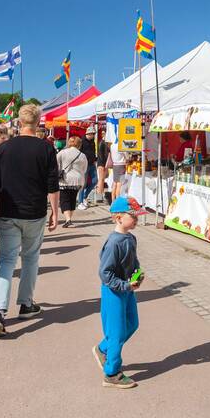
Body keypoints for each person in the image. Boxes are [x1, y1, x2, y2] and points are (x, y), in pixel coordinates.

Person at [0, 103, 59, 336]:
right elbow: (52, 185)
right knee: (30, 259)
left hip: (8, 211)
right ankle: (26, 303)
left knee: (6, 261)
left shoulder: (4, 148)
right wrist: (55, 212)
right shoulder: (46, 148)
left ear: (19, 121)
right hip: (34, 211)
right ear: (38, 122)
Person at [93, 195, 146, 388]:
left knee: (132, 324)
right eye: (133, 216)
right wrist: (124, 285)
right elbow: (104, 272)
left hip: (127, 290)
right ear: (118, 218)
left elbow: (133, 261)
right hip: (113, 292)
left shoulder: (131, 238)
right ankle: (112, 373)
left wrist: (137, 274)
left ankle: (103, 349)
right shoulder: (114, 243)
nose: (137, 220)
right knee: (116, 333)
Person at [56, 134, 88, 228]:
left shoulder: (62, 152)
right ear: (79, 144)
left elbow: (56, 164)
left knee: (64, 199)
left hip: (65, 179)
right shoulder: (82, 155)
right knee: (72, 199)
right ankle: (69, 218)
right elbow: (84, 169)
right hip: (77, 180)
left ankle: (68, 219)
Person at [77, 126, 98, 209]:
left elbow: (93, 151)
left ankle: (85, 196)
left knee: (95, 181)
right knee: (83, 184)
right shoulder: (82, 141)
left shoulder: (93, 141)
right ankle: (80, 202)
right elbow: (79, 153)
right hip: (84, 165)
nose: (93, 136)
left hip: (92, 164)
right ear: (87, 134)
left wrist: (95, 159)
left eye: (93, 134)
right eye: (92, 134)